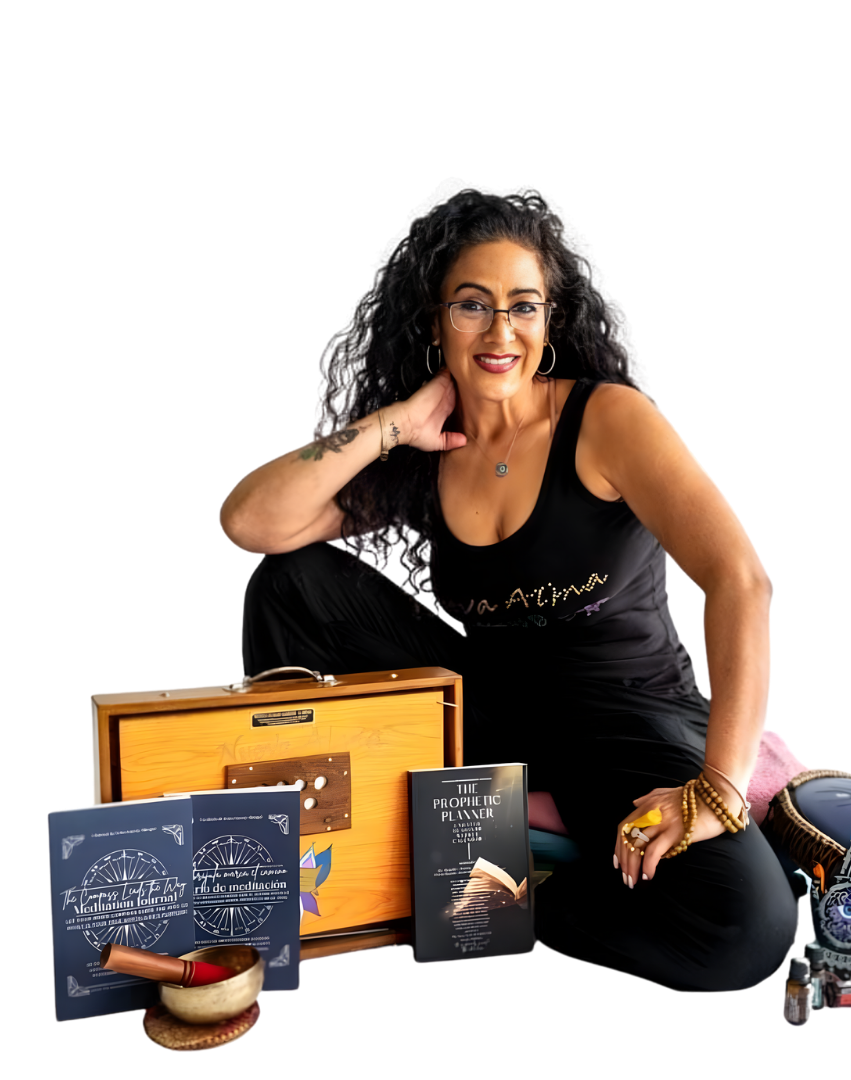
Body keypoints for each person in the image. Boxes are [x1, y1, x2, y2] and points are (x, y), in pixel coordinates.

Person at [219, 181, 799, 991]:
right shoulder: (415, 456)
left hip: (622, 714)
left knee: (748, 928)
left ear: (551, 320)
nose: (500, 332)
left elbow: (741, 581)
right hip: (485, 711)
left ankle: (509, 910)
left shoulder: (609, 421)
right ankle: (328, 854)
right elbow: (249, 523)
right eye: (472, 306)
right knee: (296, 581)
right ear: (433, 321)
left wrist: (719, 790)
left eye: (523, 306)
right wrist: (393, 425)